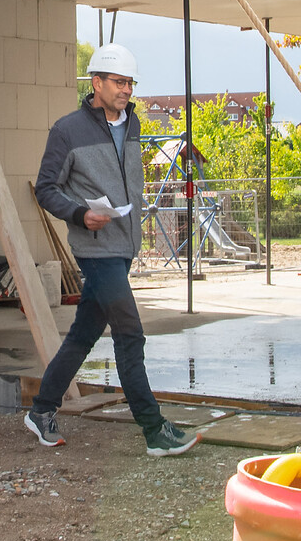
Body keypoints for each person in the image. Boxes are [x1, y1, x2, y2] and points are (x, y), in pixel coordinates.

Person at [25, 42, 200, 457]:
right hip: (95, 248)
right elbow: (46, 188)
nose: (125, 90)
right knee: (129, 333)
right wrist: (80, 214)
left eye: (129, 83)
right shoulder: (67, 130)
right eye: (118, 82)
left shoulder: (133, 125)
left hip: (123, 245)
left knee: (84, 334)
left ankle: (41, 410)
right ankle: (154, 429)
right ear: (96, 82)